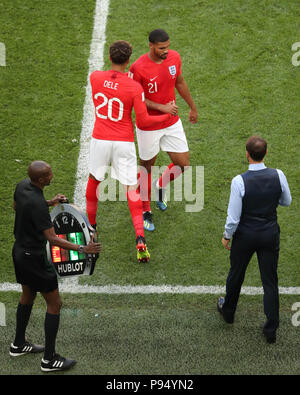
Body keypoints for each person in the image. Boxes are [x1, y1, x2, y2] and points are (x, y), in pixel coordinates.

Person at [10, 160, 102, 372]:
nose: (52, 175)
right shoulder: (36, 203)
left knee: (28, 295)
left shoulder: (23, 185)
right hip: (35, 259)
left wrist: (49, 202)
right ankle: (49, 359)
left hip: (19, 252)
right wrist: (82, 249)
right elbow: (52, 238)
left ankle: (18, 344)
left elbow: (17, 206)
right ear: (41, 179)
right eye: (49, 174)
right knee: (55, 303)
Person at [85, 40, 171, 262]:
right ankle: (140, 238)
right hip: (123, 142)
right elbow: (143, 119)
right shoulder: (134, 87)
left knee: (94, 181)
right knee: (131, 189)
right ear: (129, 60)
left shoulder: (95, 77)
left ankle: (91, 230)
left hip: (100, 139)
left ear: (110, 56)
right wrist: (166, 114)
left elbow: (107, 85)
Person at [217, 136, 292, 343]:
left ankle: (229, 312)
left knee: (236, 274)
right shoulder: (279, 174)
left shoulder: (239, 181)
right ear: (266, 153)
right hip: (269, 233)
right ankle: (271, 330)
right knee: (270, 280)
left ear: (247, 154)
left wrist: (226, 236)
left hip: (245, 235)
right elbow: (286, 201)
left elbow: (233, 217)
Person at [129, 28, 198, 231]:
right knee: (146, 167)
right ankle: (145, 209)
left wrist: (192, 107)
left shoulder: (174, 58)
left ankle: (160, 186)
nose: (166, 51)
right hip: (148, 125)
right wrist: (162, 107)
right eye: (161, 48)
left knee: (182, 164)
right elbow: (137, 99)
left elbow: (180, 81)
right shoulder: (138, 68)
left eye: (167, 47)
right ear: (150, 45)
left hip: (171, 122)